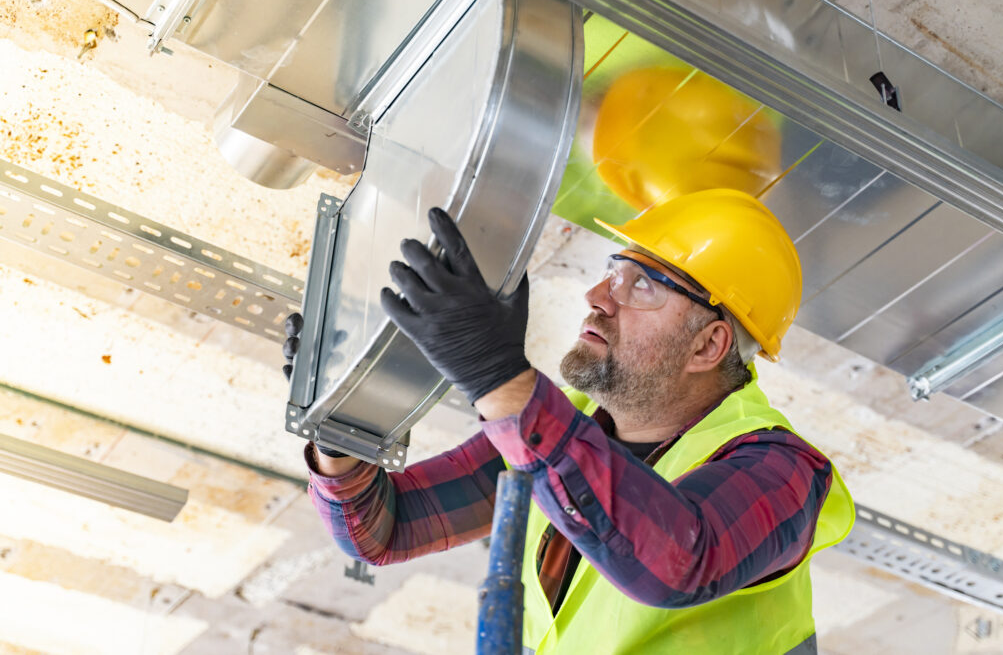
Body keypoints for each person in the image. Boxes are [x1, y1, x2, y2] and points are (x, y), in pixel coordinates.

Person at [295, 189, 855, 654]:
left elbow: (680, 562)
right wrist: (342, 424)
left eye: (644, 286)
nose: (597, 298)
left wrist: (497, 377)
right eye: (616, 272)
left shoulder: (786, 471)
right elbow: (385, 529)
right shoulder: (570, 425)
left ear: (709, 344)